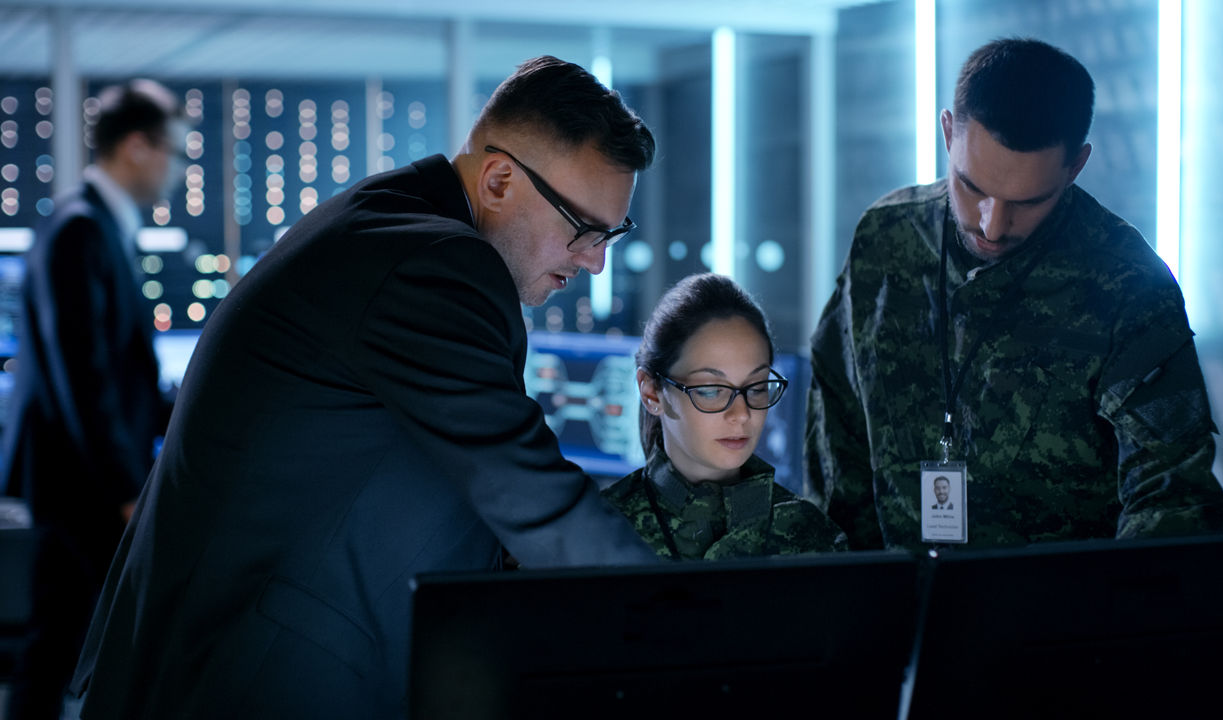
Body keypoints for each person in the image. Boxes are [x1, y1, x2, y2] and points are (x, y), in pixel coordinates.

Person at [71, 56, 659, 719]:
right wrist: (687, 631)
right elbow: (531, 493)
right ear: (498, 179)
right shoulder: (431, 263)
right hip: (249, 682)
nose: (596, 260)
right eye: (584, 228)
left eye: (613, 233)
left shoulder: (382, 221)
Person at [804, 38, 1223, 551]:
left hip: (1057, 619)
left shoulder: (1128, 285)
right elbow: (837, 439)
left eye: (1027, 202)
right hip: (894, 610)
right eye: (972, 188)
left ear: (1075, 167)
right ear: (946, 133)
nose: (993, 225)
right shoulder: (884, 240)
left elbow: (1173, 500)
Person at [0, 79, 181, 720]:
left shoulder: (86, 225)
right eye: (174, 152)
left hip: (79, 483)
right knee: (64, 646)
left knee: (61, 645)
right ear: (136, 146)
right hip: (86, 489)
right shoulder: (81, 230)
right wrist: (127, 489)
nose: (178, 170)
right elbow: (87, 378)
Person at [604, 273, 847, 560]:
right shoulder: (601, 531)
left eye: (756, 387)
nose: (742, 414)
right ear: (651, 393)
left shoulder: (810, 537)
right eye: (710, 390)